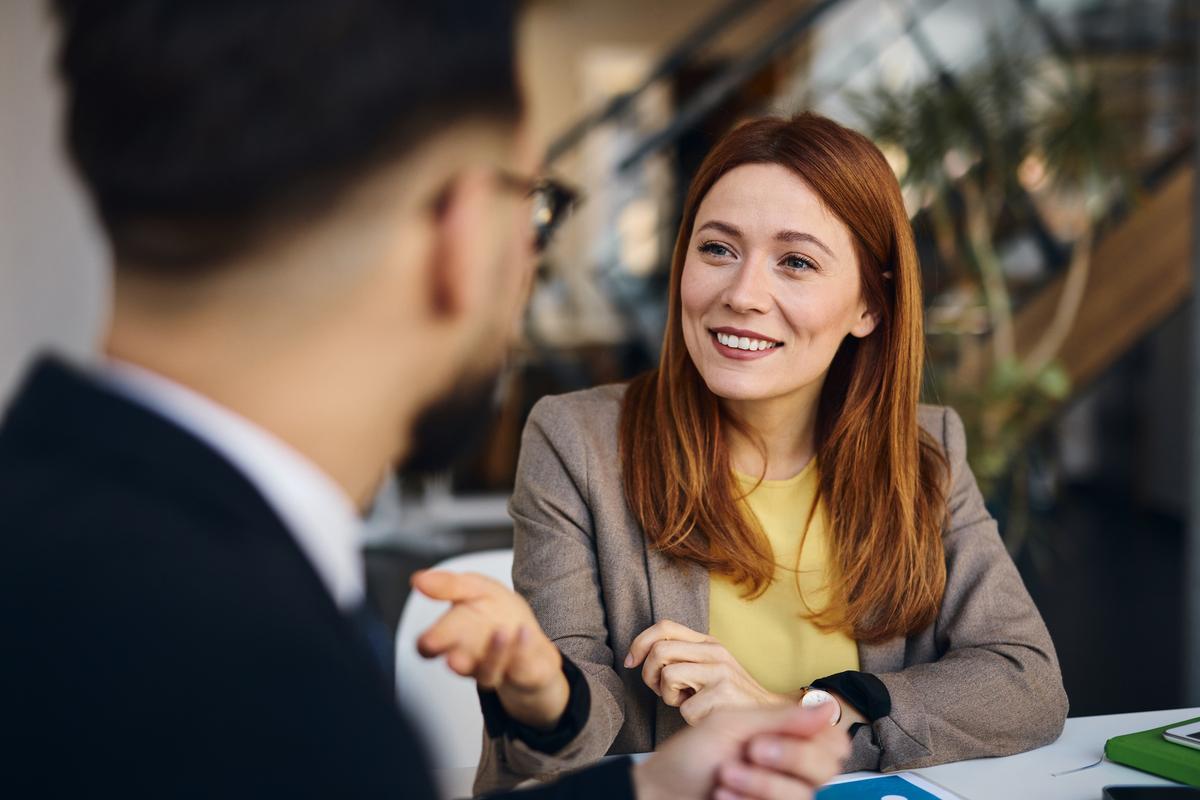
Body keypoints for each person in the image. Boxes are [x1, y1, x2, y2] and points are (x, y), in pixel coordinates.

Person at [0, 3, 851, 798]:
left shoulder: (77, 551)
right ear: (465, 233)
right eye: (537, 205)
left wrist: (643, 786)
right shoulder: (271, 698)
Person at [474, 113, 1070, 793]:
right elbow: (578, 730)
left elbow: (1025, 679)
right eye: (718, 249)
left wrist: (812, 713)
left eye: (796, 262)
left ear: (869, 307)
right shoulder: (576, 441)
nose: (742, 294)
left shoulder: (924, 452)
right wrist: (542, 694)